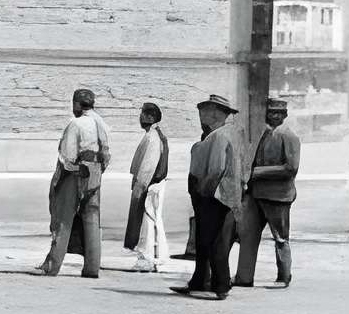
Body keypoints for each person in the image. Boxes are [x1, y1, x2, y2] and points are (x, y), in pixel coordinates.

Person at [36, 86, 111, 278]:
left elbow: (67, 157)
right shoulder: (101, 123)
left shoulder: (76, 124)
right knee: (92, 219)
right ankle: (92, 268)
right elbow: (106, 155)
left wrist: (73, 170)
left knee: (64, 219)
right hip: (95, 174)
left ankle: (52, 266)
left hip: (77, 174)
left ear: (77, 104)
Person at [173, 94, 242, 300]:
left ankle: (221, 286)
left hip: (215, 197)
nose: (201, 114)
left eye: (205, 110)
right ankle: (199, 282)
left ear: (216, 114)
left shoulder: (219, 136)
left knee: (214, 242)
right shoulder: (222, 134)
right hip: (217, 195)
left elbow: (216, 169)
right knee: (205, 241)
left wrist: (203, 191)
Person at [234, 96, 300, 289]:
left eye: (278, 113)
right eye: (271, 112)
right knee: (247, 236)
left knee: (280, 238)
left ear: (285, 115)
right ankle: (244, 278)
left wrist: (256, 173)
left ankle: (283, 277)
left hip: (278, 196)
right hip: (256, 194)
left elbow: (291, 168)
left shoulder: (289, 136)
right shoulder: (265, 133)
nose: (274, 116)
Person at [124, 101, 171, 274]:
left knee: (147, 222)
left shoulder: (153, 138)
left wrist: (140, 187)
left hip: (149, 186)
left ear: (150, 117)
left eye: (142, 114)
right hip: (153, 185)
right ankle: (154, 258)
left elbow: (148, 166)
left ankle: (146, 259)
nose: (140, 117)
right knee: (152, 221)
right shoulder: (155, 135)